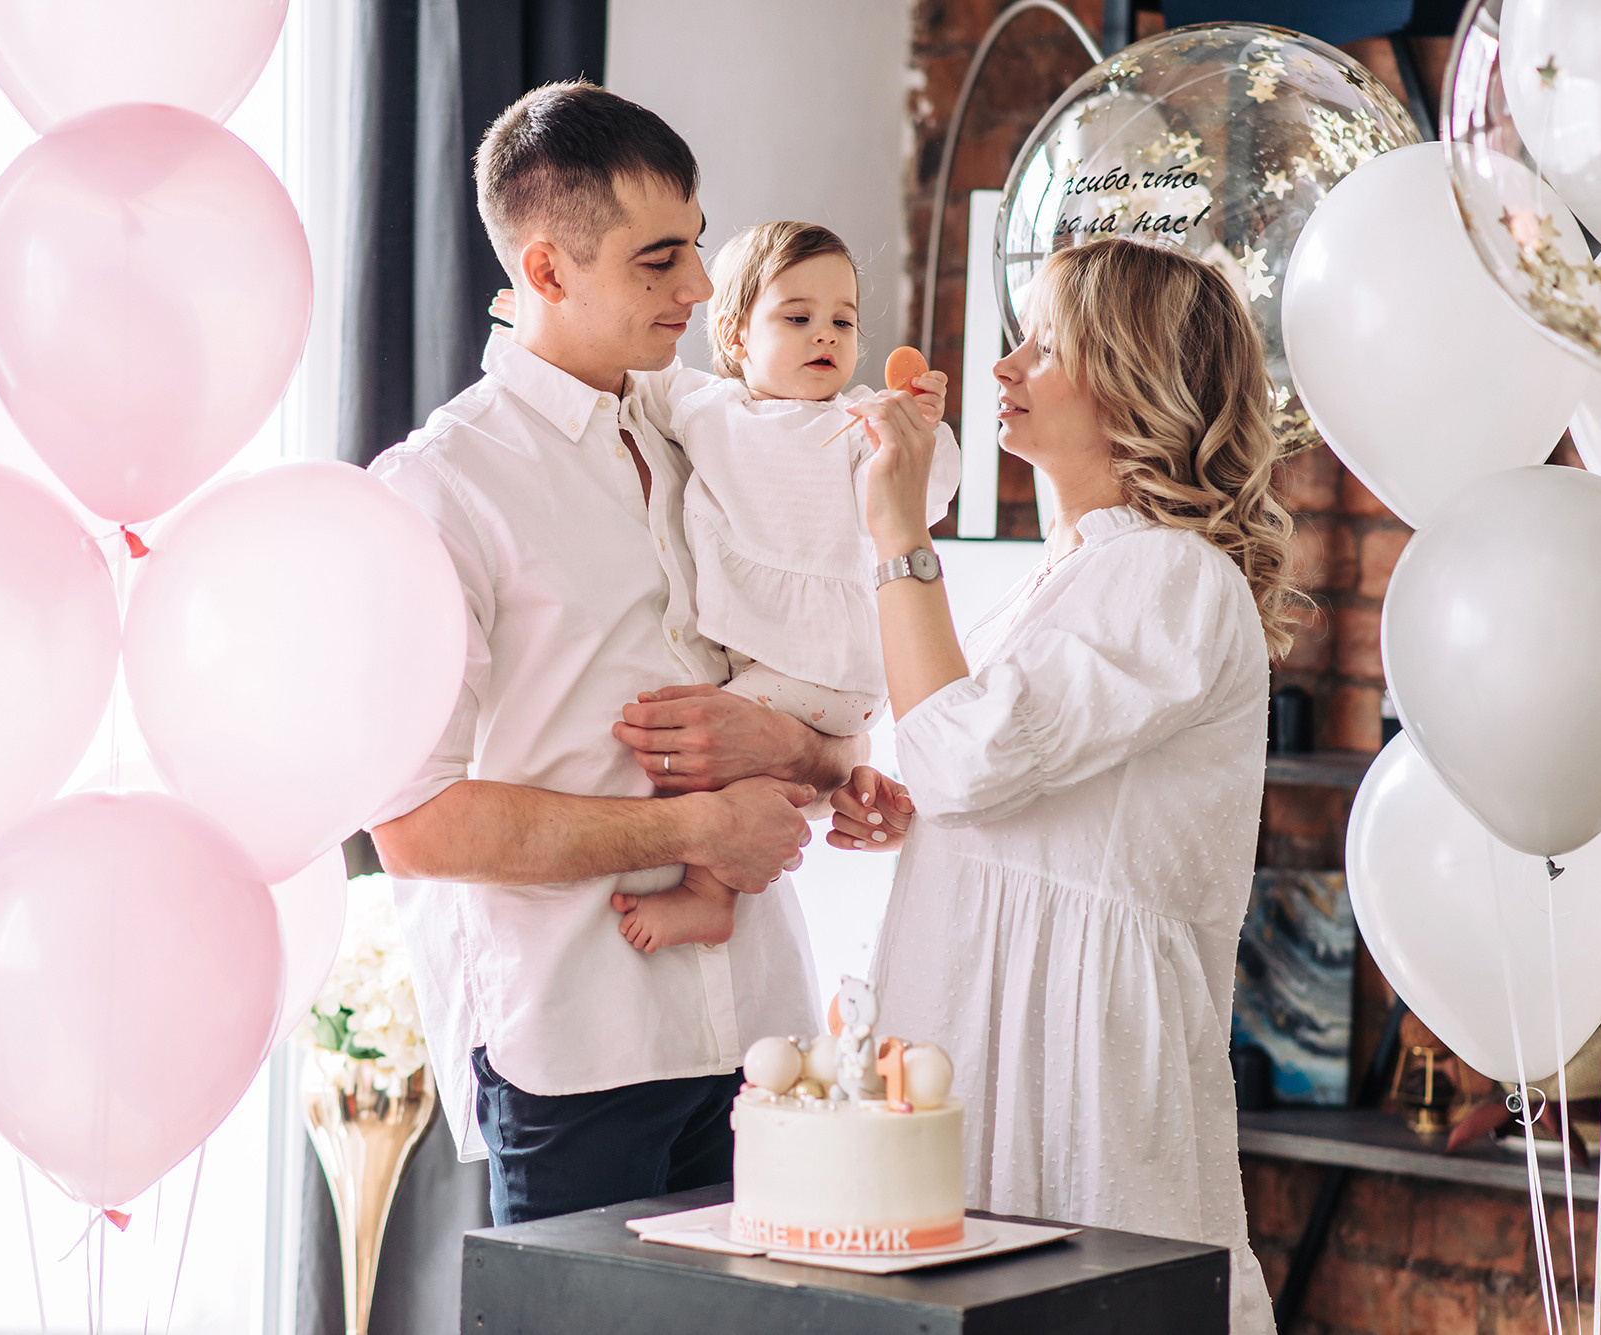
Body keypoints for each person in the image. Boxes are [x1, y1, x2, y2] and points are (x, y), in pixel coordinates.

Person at [365, 81, 865, 1227]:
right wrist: (695, 830)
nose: (699, 286)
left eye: (695, 246)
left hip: (765, 1040)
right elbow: (414, 823)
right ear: (546, 272)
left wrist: (821, 756)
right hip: (578, 1056)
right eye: (659, 261)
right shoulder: (441, 488)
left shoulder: (718, 432)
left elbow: (801, 645)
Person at [847, 237, 1298, 1335]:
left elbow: (959, 752)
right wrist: (899, 806)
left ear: (1137, 384)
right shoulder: (1060, 580)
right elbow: (958, 770)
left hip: (1069, 1071)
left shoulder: (1170, 577)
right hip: (982, 1034)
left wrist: (899, 534)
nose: (1004, 366)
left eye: (1044, 346)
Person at [595, 220, 961, 953]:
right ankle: (849, 787)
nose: (825, 335)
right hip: (770, 655)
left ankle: (708, 891)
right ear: (734, 337)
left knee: (702, 746)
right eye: (797, 318)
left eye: (843, 320)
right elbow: (630, 377)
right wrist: (527, 331)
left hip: (825, 661)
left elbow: (924, 495)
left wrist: (920, 431)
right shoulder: (708, 410)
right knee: (724, 753)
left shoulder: (857, 424)